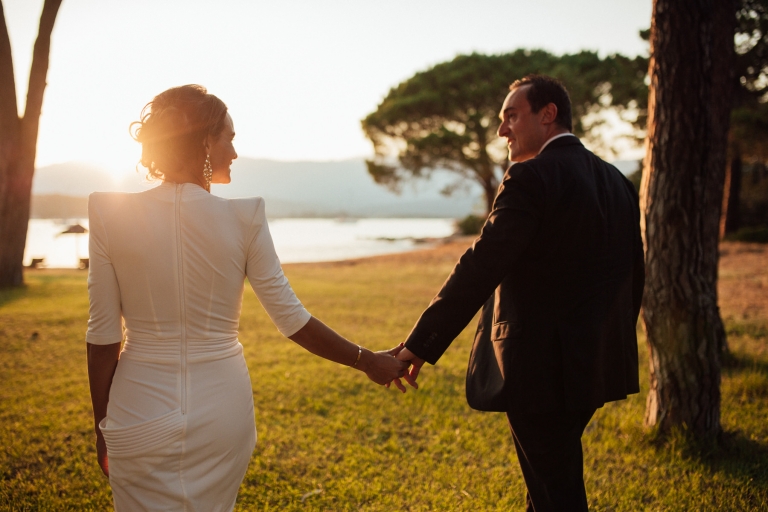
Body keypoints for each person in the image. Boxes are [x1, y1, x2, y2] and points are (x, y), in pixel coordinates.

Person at [86, 84, 407, 511]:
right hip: (223, 411)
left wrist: (103, 424)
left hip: (138, 406)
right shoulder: (245, 216)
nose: (235, 152)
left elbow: (104, 336)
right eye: (229, 138)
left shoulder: (109, 213)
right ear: (204, 140)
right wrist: (369, 361)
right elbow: (291, 320)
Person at [392, 75, 644, 511]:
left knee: (556, 493)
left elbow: (482, 265)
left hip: (538, 371)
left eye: (511, 116)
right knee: (549, 481)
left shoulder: (531, 176)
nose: (501, 130)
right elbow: (631, 273)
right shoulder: (616, 181)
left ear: (548, 115)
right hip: (597, 362)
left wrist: (420, 343)